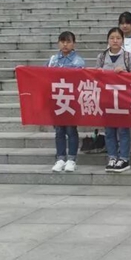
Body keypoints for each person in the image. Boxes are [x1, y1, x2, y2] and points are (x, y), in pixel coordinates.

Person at [96, 28, 131, 172]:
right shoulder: (102, 57)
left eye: (118, 38)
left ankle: (124, 158)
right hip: (107, 99)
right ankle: (112, 156)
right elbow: (96, 77)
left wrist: (125, 74)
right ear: (108, 40)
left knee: (123, 130)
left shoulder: (128, 57)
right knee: (109, 130)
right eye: (112, 38)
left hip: (123, 99)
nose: (115, 41)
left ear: (123, 40)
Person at [48, 31, 85, 173]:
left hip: (71, 100)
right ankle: (60, 158)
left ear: (73, 44)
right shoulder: (53, 60)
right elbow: (43, 76)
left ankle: (72, 159)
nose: (65, 44)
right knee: (59, 130)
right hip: (56, 99)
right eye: (62, 41)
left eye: (68, 42)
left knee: (71, 130)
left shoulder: (78, 61)